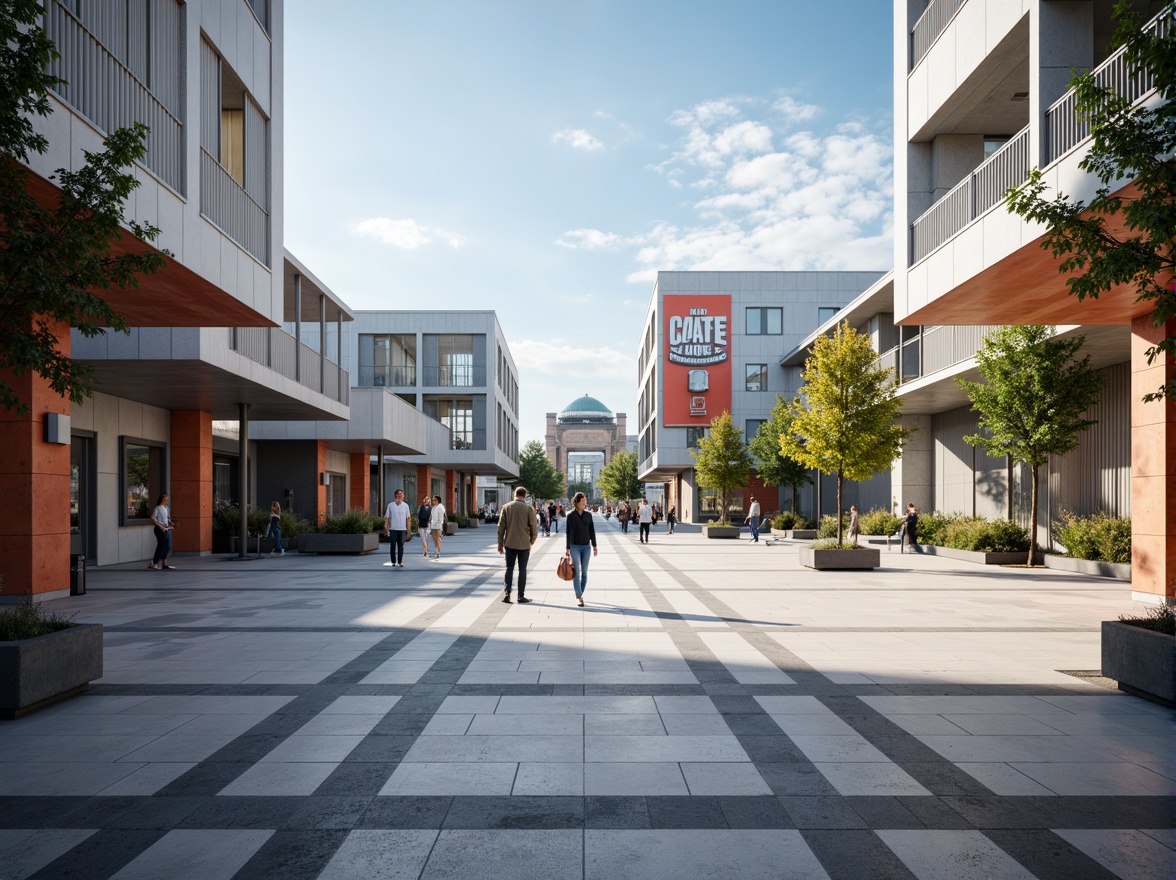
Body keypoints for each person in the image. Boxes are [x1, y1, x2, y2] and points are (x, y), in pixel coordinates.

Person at [497, 486, 537, 604]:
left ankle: (507, 594)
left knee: (509, 568)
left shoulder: (506, 507)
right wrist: (531, 541)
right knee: (522, 570)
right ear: (525, 496)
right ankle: (520, 595)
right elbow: (533, 527)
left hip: (509, 543)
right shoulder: (529, 509)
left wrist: (500, 543)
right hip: (524, 544)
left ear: (515, 494)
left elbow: (501, 527)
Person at [565, 491, 597, 607]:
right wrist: (567, 548)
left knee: (584, 572)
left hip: (586, 547)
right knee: (577, 572)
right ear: (577, 502)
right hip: (575, 547)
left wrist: (594, 546)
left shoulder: (588, 515)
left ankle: (580, 593)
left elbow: (592, 531)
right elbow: (568, 532)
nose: (585, 502)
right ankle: (579, 597)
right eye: (583, 500)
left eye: (585, 500)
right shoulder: (571, 516)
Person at [384, 489, 412, 567]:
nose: (400, 496)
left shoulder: (406, 506)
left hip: (402, 529)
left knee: (401, 545)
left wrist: (408, 529)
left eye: (401, 495)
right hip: (393, 529)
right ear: (395, 495)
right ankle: (393, 561)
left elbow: (408, 518)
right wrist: (387, 528)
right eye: (398, 494)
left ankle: (400, 561)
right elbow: (387, 518)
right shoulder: (390, 505)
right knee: (393, 545)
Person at [148, 493, 175, 570]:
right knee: (161, 546)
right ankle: (154, 563)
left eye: (167, 498)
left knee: (168, 547)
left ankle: (164, 564)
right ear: (161, 499)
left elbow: (167, 518)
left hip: (166, 528)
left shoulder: (167, 508)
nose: (167, 499)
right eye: (165, 498)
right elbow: (153, 518)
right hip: (159, 529)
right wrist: (161, 526)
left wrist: (170, 523)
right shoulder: (157, 508)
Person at [428, 494, 447, 560]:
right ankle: (436, 552)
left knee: (438, 540)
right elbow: (432, 516)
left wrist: (436, 522)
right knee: (435, 540)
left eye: (435, 500)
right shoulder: (434, 507)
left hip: (438, 526)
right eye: (433, 500)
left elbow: (439, 517)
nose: (433, 501)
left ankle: (437, 553)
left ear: (438, 500)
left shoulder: (440, 507)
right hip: (433, 526)